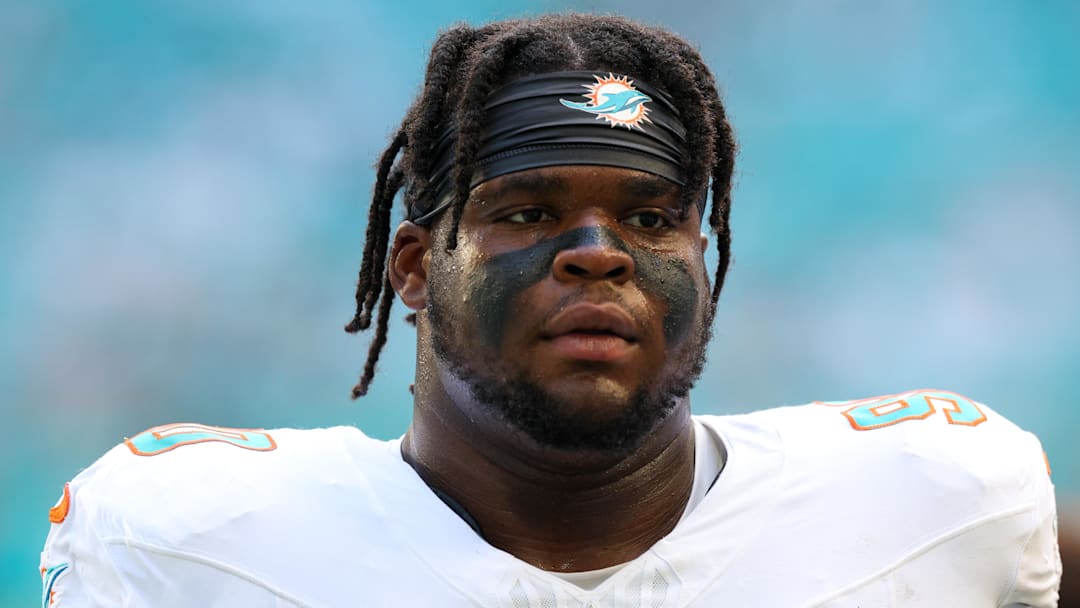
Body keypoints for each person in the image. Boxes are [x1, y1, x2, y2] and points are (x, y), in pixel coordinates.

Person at [39, 14, 1061, 607]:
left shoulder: (942, 498)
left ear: (702, 261)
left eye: (651, 218)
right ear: (410, 266)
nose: (597, 253)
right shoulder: (187, 542)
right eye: (527, 212)